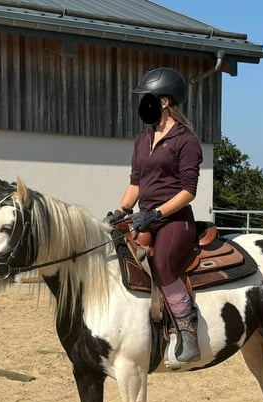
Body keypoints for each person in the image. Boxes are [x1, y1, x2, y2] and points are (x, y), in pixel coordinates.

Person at [107, 67, 203, 364]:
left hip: (176, 221)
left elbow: (189, 191)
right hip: (145, 217)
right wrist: (122, 210)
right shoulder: (142, 139)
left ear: (163, 101)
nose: (141, 103)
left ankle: (188, 329)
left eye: (146, 97)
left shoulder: (186, 141)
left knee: (162, 263)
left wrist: (155, 213)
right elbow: (136, 182)